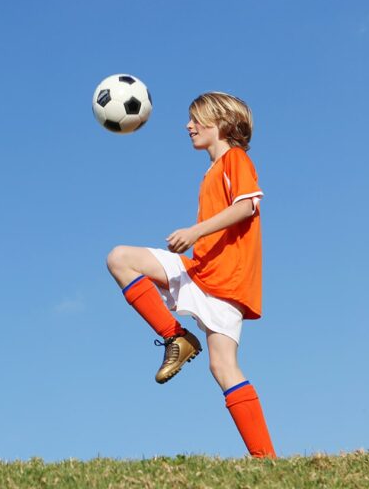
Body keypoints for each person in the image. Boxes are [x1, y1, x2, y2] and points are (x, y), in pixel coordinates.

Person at [105, 92, 276, 458]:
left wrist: (195, 232)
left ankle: (267, 461)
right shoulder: (212, 170)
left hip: (226, 281)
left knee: (224, 367)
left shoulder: (235, 158)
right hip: (199, 272)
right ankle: (176, 338)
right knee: (120, 259)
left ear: (224, 123)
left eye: (197, 120)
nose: (189, 126)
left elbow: (246, 206)